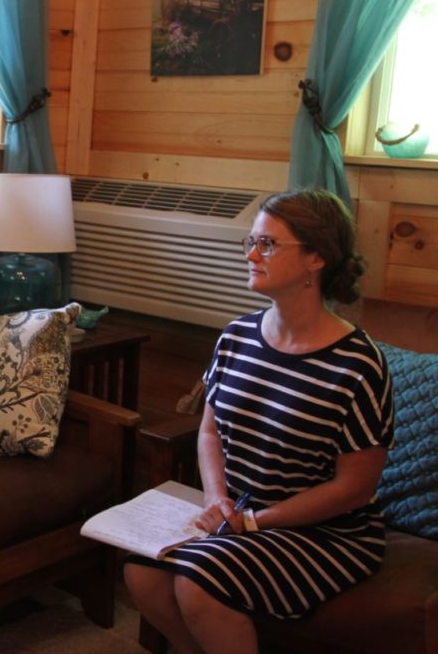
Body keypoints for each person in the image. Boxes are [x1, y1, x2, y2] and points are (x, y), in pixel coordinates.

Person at [124, 190, 394, 654]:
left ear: (317, 259)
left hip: (326, 532)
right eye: (251, 241)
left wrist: (257, 522)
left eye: (268, 245)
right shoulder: (236, 336)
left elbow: (353, 488)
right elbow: (209, 431)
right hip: (241, 513)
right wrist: (217, 499)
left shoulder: (359, 364)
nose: (251, 254)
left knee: (197, 584)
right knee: (141, 571)